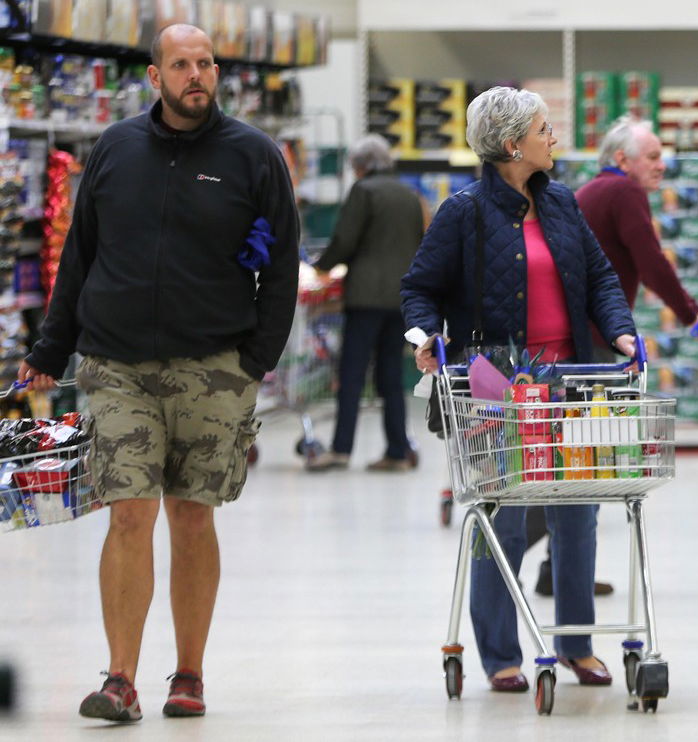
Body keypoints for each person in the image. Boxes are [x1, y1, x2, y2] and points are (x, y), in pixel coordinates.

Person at [17, 24, 298, 723]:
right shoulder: (114, 148)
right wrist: (51, 350)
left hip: (213, 366)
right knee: (129, 513)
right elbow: (79, 255)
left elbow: (286, 263)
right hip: (116, 364)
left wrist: (255, 360)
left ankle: (190, 674)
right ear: (155, 76)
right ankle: (119, 679)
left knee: (193, 518)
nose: (197, 74)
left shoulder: (254, 156)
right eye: (182, 64)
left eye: (206, 63)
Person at [401, 86, 636, 694]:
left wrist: (622, 331)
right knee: (499, 522)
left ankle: (578, 644)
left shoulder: (561, 202)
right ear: (512, 144)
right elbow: (419, 288)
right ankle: (500, 654)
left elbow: (601, 277)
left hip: (573, 383)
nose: (552, 136)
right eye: (543, 128)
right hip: (497, 389)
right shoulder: (464, 212)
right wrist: (423, 334)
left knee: (577, 517)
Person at [307, 135, 428, 473]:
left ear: (362, 166)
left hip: (365, 298)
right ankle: (397, 451)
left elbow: (345, 239)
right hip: (400, 299)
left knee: (352, 375)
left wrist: (321, 267)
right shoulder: (409, 194)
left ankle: (341, 450)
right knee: (391, 376)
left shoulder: (364, 191)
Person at [576, 118, 698, 330]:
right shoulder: (624, 191)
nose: (662, 166)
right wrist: (693, 315)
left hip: (583, 323)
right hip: (596, 326)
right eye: (653, 157)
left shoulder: (597, 189)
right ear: (623, 160)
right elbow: (651, 263)